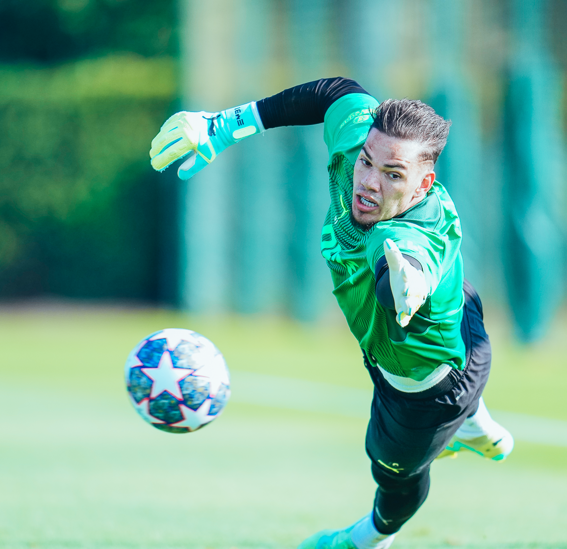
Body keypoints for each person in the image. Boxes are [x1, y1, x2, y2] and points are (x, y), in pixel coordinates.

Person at [149, 78, 514, 549]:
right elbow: (336, 92)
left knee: (394, 475)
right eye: (367, 160)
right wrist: (221, 127)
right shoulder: (361, 135)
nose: (368, 181)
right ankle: (474, 425)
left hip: (427, 389)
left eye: (392, 175)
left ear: (425, 184)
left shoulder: (410, 238)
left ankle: (366, 540)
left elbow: (402, 270)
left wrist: (408, 285)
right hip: (463, 322)